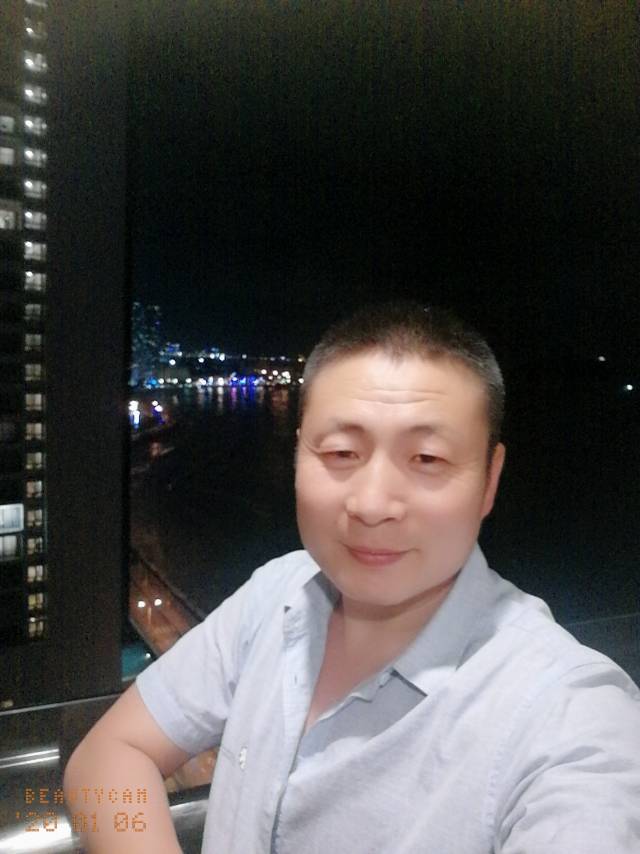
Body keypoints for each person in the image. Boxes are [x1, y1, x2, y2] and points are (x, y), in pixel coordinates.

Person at [64, 301, 640, 853]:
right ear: (298, 457)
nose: (371, 504)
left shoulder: (567, 714)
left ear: (490, 481)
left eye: (427, 459)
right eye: (341, 453)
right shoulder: (278, 594)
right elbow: (110, 754)